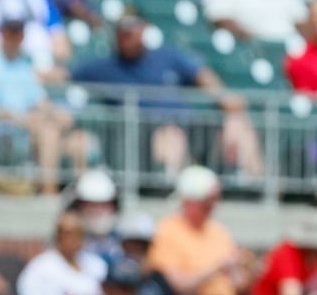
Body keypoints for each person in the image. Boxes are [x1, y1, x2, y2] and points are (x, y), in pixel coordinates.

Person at [71, 16, 264, 181]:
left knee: (238, 123)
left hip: (191, 125)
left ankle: (256, 188)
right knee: (170, 136)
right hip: (142, 134)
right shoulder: (104, 67)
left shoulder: (168, 56)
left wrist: (223, 97)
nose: (128, 39)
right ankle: (171, 192)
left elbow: (202, 75)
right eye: (123, 34)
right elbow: (64, 76)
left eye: (132, 32)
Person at [145, 166, 251, 295]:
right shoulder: (168, 231)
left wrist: (246, 271)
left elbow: (239, 283)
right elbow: (178, 285)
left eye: (214, 200)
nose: (212, 206)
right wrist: (217, 268)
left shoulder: (218, 231)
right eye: (206, 202)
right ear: (189, 201)